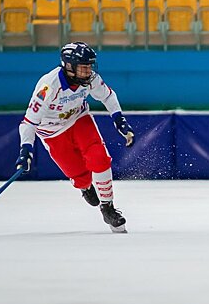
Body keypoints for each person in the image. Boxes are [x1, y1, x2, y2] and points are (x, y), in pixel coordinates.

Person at [15, 41, 135, 233]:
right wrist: (25, 149)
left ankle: (108, 208)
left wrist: (119, 119)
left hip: (79, 119)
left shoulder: (90, 79)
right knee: (79, 175)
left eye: (89, 67)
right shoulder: (48, 86)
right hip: (52, 132)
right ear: (69, 67)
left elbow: (107, 96)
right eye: (83, 68)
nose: (88, 72)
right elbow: (29, 122)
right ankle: (85, 187)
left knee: (99, 158)